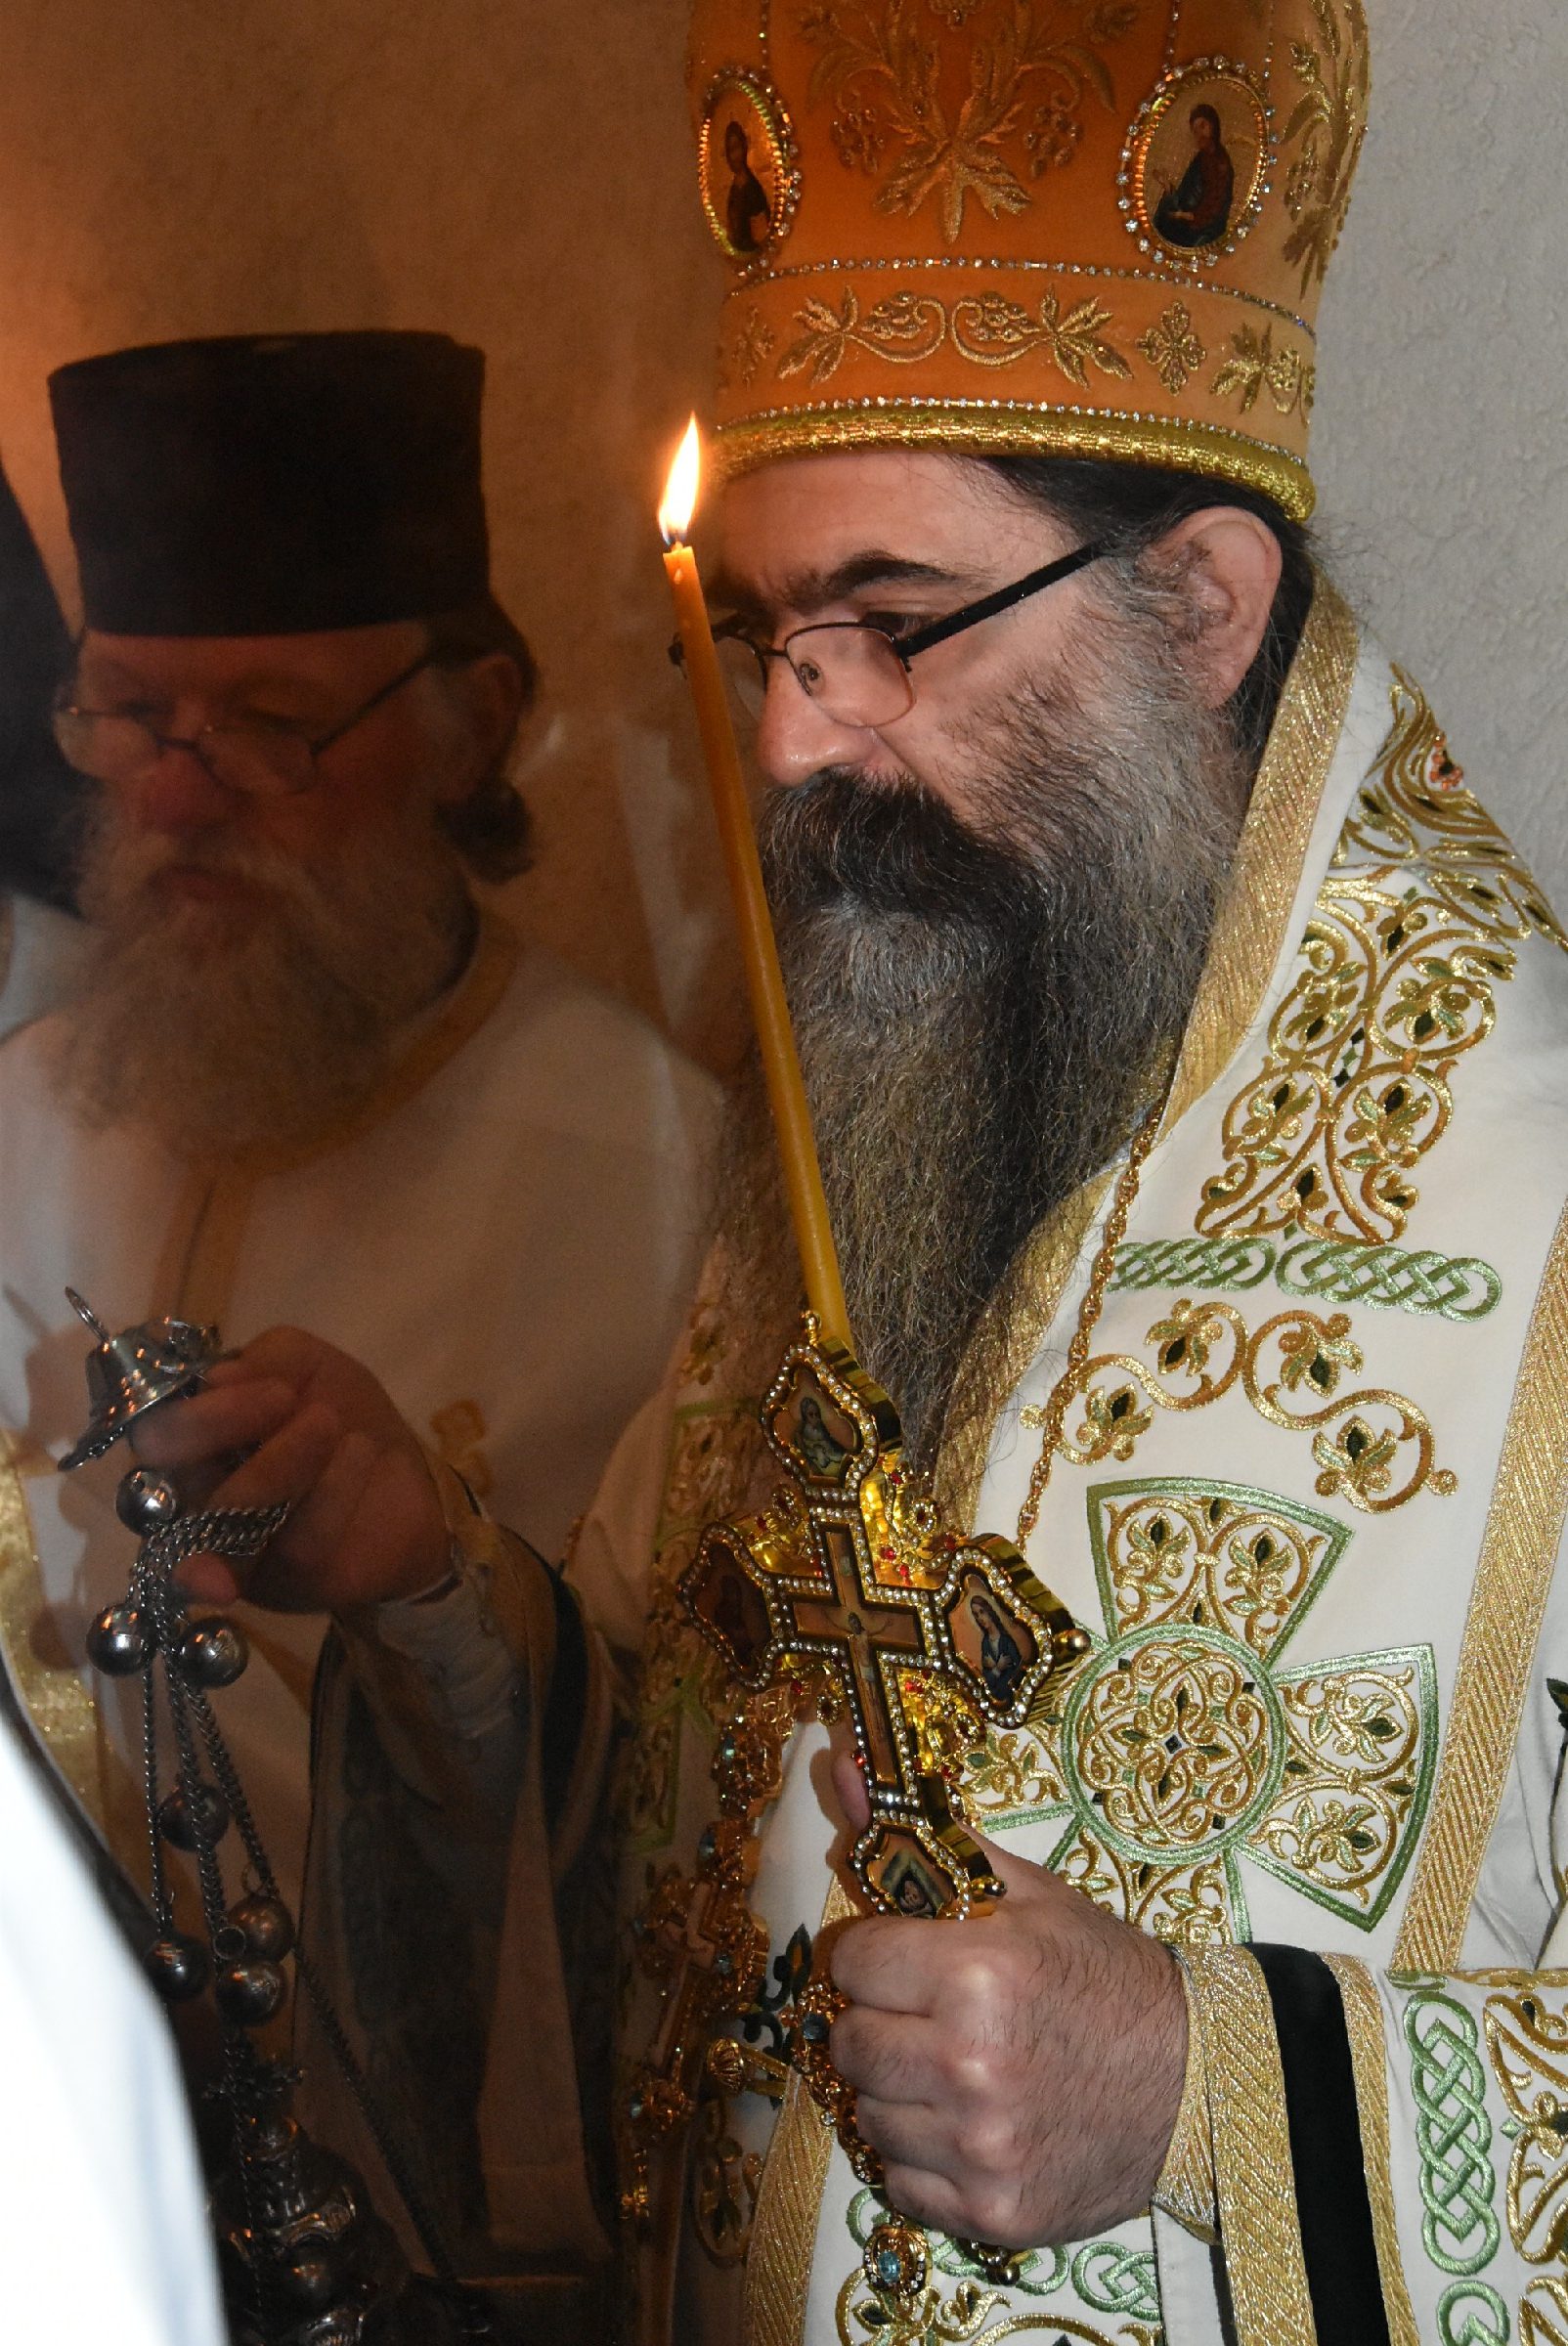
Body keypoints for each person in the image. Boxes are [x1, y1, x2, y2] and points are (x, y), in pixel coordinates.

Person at [584, 1, 1568, 2341]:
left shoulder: (1534, 1215)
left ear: (1197, 609)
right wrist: (446, 1606)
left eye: (891, 628)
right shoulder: (876, 1075)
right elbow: (685, 1791)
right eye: (764, 634)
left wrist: (1211, 2084)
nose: (792, 740)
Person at [0, 330, 715, 2330]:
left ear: (474, 721)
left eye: (274, 727)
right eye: (128, 713)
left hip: (410, 2226)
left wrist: (428, 1583)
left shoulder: (662, 1181)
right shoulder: (20, 1105)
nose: (175, 790)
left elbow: (663, 1825)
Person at [1154, 102, 1235, 245]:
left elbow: (1213, 207)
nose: (1199, 135)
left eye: (1202, 126)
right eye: (1195, 131)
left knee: (1165, 226)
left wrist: (1182, 215)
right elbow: (1186, 195)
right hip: (1189, 221)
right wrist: (1168, 187)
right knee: (1162, 219)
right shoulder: (1200, 158)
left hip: (1204, 229)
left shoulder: (1220, 162)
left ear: (1213, 125)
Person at [723, 121, 770, 254]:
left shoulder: (752, 188)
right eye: (731, 150)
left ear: (744, 147)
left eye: (737, 147)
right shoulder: (734, 189)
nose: (735, 156)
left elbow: (761, 236)